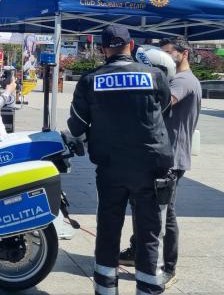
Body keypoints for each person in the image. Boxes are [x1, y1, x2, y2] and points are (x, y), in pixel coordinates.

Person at [66, 25, 173, 295]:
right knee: (149, 233)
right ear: (132, 45)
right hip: (150, 167)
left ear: (103, 50)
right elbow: (164, 112)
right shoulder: (155, 75)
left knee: (109, 228)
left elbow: (77, 127)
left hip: (111, 167)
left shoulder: (91, 80)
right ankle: (148, 290)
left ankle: (105, 290)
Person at [119, 38, 202, 288]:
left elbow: (161, 104)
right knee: (144, 205)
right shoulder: (176, 79)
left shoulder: (182, 81)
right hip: (159, 154)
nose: (163, 58)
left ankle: (168, 266)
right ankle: (138, 251)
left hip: (171, 158)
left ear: (183, 53)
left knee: (165, 214)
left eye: (168, 53)